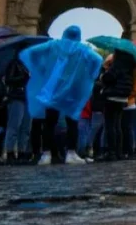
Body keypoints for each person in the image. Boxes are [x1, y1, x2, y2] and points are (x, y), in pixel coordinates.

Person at [20, 25, 102, 166]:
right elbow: (98, 59)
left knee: (49, 123)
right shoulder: (82, 48)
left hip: (52, 91)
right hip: (71, 92)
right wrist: (91, 74)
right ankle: (71, 153)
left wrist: (40, 68)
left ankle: (46, 155)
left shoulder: (53, 45)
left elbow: (31, 52)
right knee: (72, 123)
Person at [2, 52, 31, 164]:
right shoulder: (14, 64)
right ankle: (9, 152)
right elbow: (9, 80)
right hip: (16, 97)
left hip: (28, 97)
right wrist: (22, 77)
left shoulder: (29, 66)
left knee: (26, 127)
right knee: (14, 125)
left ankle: (22, 152)